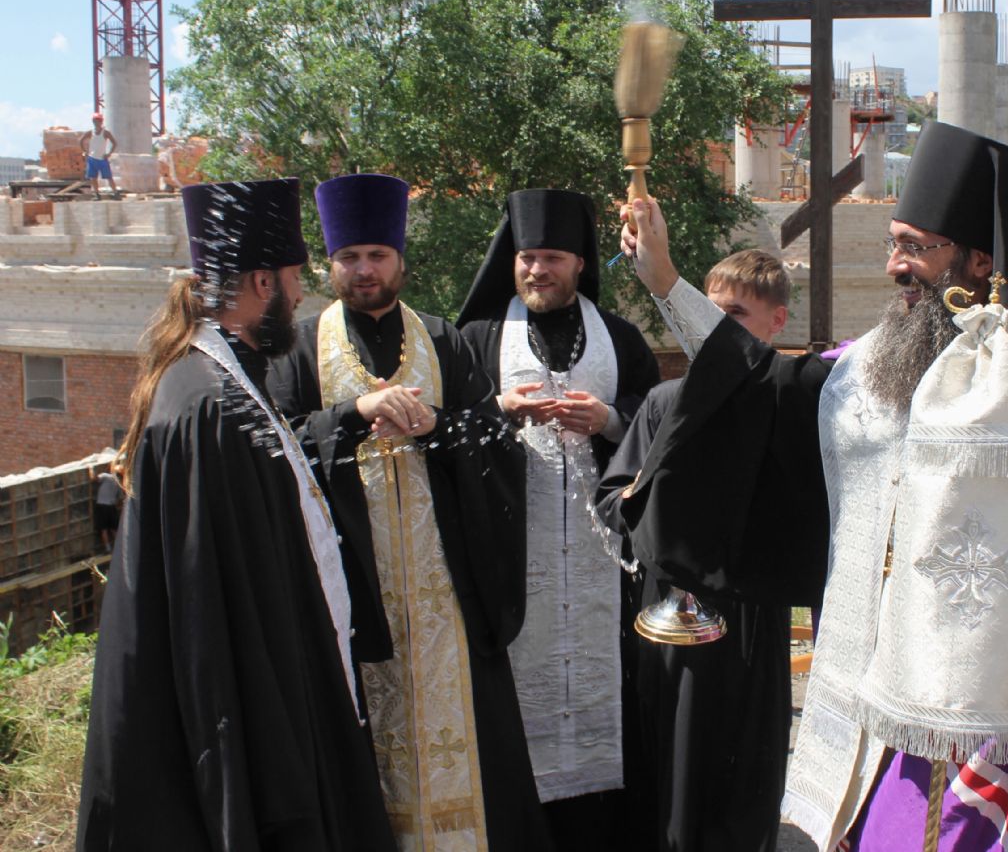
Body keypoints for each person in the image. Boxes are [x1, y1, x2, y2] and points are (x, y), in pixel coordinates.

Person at [618, 122, 1008, 851]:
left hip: (978, 713)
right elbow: (759, 385)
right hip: (866, 686)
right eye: (892, 245)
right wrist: (665, 281)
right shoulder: (872, 360)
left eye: (914, 247)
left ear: (980, 259)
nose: (895, 266)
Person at [78, 179, 394, 850]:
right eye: (294, 277)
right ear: (261, 282)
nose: (301, 294)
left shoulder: (225, 382)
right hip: (247, 708)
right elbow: (219, 605)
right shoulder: (210, 406)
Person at [267, 173, 547, 849]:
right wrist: (351, 415)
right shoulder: (297, 349)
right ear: (329, 265)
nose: (364, 270)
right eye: (349, 257)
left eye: (377, 255)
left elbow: (494, 439)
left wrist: (436, 427)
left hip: (447, 592)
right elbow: (273, 449)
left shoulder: (444, 340)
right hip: (351, 596)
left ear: (400, 260)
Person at [597, 249, 825, 852]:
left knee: (747, 762)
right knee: (671, 754)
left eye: (735, 316)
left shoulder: (788, 401)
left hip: (751, 615)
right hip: (666, 610)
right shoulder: (664, 402)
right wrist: (644, 504)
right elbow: (614, 496)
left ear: (777, 321)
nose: (717, 327)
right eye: (709, 311)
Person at [457, 187, 660, 849]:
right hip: (512, 569)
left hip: (606, 573)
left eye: (551, 258)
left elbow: (657, 425)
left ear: (579, 263)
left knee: (614, 713)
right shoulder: (478, 339)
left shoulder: (621, 339)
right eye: (527, 257)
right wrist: (499, 412)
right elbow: (447, 433)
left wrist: (610, 421)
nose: (537, 269)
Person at [79, 112, 119, 197]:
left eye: (98, 120)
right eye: (95, 120)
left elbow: (114, 143)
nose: (96, 122)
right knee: (93, 177)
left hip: (102, 158)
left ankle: (115, 193)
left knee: (108, 177)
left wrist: (109, 153)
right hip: (92, 158)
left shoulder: (106, 133)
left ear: (101, 121)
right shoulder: (90, 132)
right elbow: (81, 140)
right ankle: (97, 194)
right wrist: (85, 151)